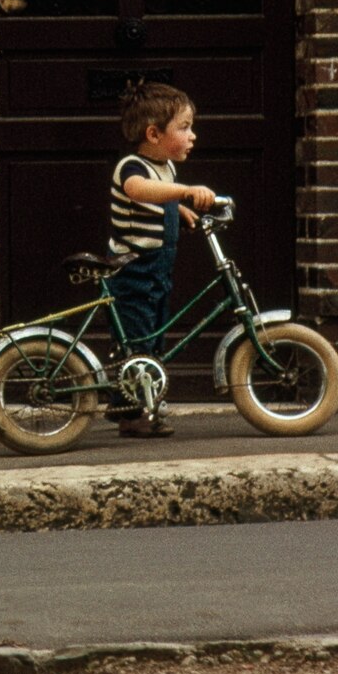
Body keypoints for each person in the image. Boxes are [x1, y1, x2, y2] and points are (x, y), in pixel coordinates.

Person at [105, 80, 220, 439]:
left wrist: (179, 209)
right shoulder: (131, 167)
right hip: (133, 272)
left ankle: (136, 406)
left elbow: (158, 198)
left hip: (156, 271)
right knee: (137, 341)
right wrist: (185, 192)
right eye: (184, 128)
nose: (192, 136)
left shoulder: (166, 169)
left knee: (152, 340)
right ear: (153, 134)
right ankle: (130, 412)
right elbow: (139, 191)